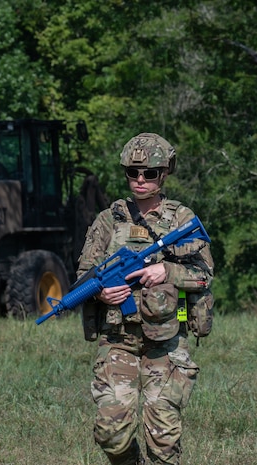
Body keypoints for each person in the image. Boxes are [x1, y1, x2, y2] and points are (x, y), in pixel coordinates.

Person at [77, 133, 214, 465]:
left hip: (166, 343)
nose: (140, 180)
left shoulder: (181, 220)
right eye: (133, 172)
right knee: (111, 433)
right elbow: (85, 274)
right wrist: (102, 291)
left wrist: (165, 271)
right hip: (118, 341)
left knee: (163, 443)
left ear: (164, 174)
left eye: (149, 173)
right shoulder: (109, 220)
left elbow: (204, 274)